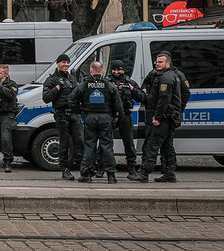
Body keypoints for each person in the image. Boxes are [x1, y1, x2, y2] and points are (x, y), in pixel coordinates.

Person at [130, 51, 183, 183]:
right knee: (167, 146)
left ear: (168, 63)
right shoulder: (166, 75)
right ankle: (170, 173)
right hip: (169, 117)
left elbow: (164, 99)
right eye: (157, 62)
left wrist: (157, 117)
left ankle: (144, 173)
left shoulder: (166, 78)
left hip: (164, 117)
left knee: (152, 145)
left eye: (160, 62)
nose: (157, 64)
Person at [69, 61, 121, 183]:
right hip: (105, 117)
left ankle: (87, 174)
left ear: (91, 71)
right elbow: (117, 103)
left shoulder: (85, 84)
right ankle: (111, 175)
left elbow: (72, 99)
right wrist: (114, 116)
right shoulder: (108, 85)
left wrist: (80, 112)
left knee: (89, 146)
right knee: (107, 147)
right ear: (102, 71)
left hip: (90, 117)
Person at [43, 53, 82, 180]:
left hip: (75, 114)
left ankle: (83, 167)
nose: (65, 64)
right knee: (64, 144)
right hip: (62, 115)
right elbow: (46, 98)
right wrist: (57, 88)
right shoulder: (52, 80)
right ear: (58, 64)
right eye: (63, 62)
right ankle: (65, 169)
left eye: (67, 62)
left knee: (80, 141)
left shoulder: (72, 78)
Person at [108, 59, 144, 175]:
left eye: (118, 69)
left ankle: (132, 168)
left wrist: (132, 90)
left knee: (129, 143)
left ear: (123, 69)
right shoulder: (107, 82)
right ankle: (103, 167)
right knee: (106, 142)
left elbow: (141, 97)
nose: (116, 72)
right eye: (114, 69)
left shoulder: (130, 83)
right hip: (111, 115)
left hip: (126, 115)